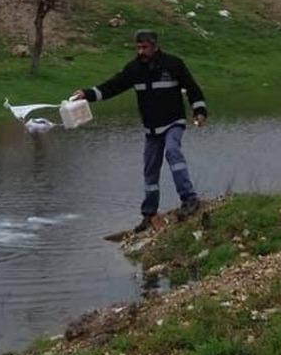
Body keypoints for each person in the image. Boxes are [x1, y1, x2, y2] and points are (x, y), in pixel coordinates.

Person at [73, 30, 208, 232]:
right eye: (138, 47)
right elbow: (112, 86)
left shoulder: (173, 64)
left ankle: (189, 199)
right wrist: (87, 94)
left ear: (155, 46)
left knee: (173, 152)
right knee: (150, 170)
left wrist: (199, 110)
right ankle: (149, 214)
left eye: (144, 47)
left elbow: (192, 88)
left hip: (173, 122)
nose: (141, 51)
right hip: (151, 128)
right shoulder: (134, 69)